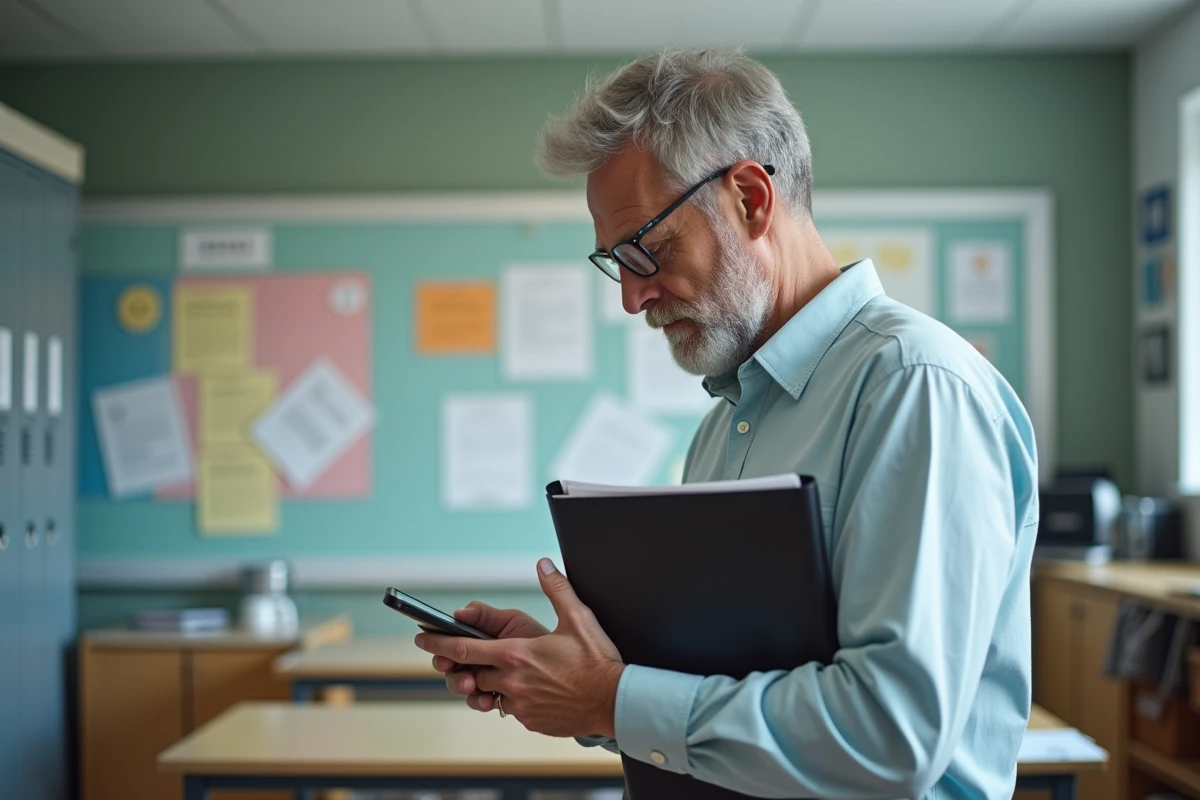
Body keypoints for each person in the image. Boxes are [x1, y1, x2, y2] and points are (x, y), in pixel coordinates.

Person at [415, 47, 1039, 799]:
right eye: (616, 262)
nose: (633, 298)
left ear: (750, 199)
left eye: (647, 249)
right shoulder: (725, 427)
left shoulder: (915, 387)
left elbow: (892, 732)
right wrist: (573, 675)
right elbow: (721, 688)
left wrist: (610, 698)